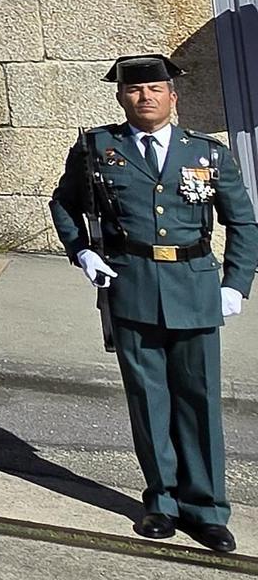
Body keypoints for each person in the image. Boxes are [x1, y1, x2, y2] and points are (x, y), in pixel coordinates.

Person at [50, 54, 256, 553]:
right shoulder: (98, 148)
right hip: (132, 285)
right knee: (149, 401)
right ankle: (161, 501)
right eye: (135, 90)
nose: (146, 97)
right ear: (121, 97)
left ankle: (206, 510)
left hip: (194, 285)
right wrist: (82, 252)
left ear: (173, 96)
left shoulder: (207, 154)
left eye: (155, 89)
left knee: (200, 401)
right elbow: (64, 202)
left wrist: (235, 284)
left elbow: (244, 223)